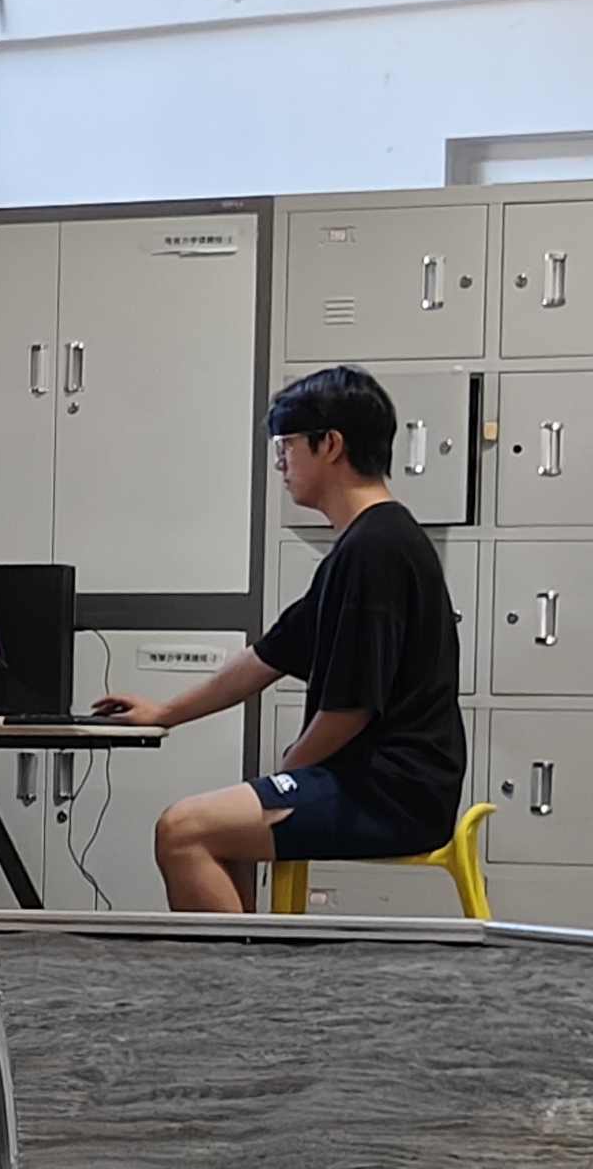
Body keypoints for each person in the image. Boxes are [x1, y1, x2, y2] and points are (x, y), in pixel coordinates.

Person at [93, 365, 465, 913]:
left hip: (390, 793)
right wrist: (165, 712)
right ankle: (245, 959)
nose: (279, 464)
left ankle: (237, 970)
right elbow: (265, 658)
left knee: (182, 830)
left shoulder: (376, 548)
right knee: (219, 824)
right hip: (379, 784)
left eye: (286, 445)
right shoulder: (365, 543)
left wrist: (289, 770)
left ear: (330, 444)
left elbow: (351, 709)